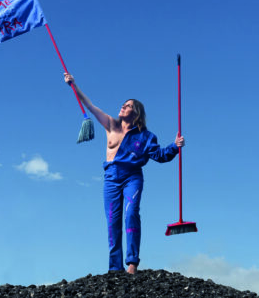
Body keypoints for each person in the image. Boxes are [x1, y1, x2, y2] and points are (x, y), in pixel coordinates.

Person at [64, 73, 185, 274]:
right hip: (111, 177)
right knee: (112, 221)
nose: (123, 106)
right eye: (124, 104)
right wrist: (73, 86)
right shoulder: (111, 125)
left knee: (131, 213)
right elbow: (91, 106)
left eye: (128, 106)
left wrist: (175, 146)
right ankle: (115, 268)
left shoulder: (146, 137)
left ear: (136, 113)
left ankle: (132, 263)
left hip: (132, 177)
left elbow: (160, 156)